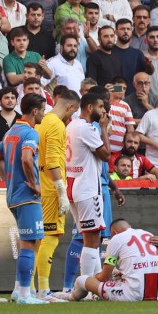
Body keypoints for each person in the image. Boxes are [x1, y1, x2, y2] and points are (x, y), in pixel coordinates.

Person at [0, 92, 48, 305]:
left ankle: (17, 290)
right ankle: (25, 295)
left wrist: (10, 178)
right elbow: (26, 158)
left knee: (27, 240)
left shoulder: (12, 131)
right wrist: (34, 183)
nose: (44, 114)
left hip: (14, 194)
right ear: (35, 111)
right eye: (42, 110)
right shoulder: (30, 133)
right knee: (30, 243)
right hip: (27, 195)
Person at [32, 87, 78, 301]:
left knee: (37, 240)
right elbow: (51, 160)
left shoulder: (42, 122)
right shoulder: (57, 125)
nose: (72, 116)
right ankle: (43, 290)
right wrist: (61, 191)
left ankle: (29, 289)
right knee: (50, 237)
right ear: (69, 107)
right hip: (50, 189)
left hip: (40, 186)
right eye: (73, 111)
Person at [65, 91, 111, 282]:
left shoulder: (72, 125)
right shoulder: (87, 128)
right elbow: (107, 155)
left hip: (73, 183)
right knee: (92, 240)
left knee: (92, 237)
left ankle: (97, 284)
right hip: (87, 187)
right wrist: (104, 129)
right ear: (90, 107)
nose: (103, 111)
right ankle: (86, 285)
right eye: (101, 107)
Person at [70, 218, 158, 302]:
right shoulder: (148, 234)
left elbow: (104, 277)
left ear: (114, 233)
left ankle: (71, 297)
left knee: (81, 280)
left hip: (133, 296)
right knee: (118, 277)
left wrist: (93, 279)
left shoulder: (116, 238)